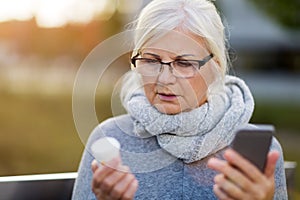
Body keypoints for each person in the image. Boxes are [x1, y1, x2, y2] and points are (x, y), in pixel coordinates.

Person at [72, 0, 288, 199]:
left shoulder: (260, 155)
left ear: (217, 67)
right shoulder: (108, 139)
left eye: (184, 63)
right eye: (151, 60)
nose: (165, 79)